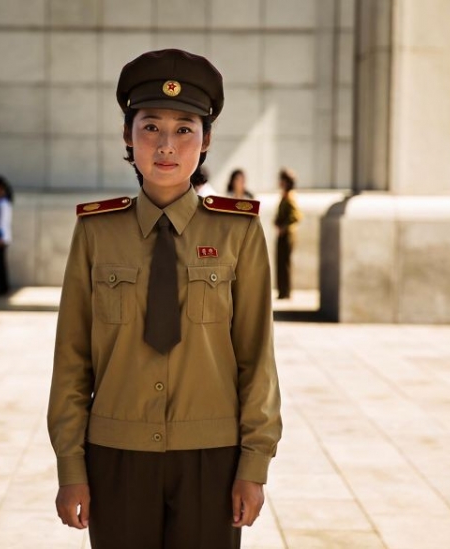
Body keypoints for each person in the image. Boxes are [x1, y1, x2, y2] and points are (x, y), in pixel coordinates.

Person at [47, 49, 281, 549]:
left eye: (184, 129)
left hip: (212, 457)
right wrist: (71, 466)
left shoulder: (238, 231)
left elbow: (257, 356)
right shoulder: (96, 232)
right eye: (151, 127)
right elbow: (71, 359)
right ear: (127, 136)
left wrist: (254, 463)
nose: (167, 145)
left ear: (206, 140)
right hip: (115, 455)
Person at [274, 168, 300, 299]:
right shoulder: (285, 196)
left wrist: (284, 227)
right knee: (280, 262)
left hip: (287, 235)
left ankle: (286, 291)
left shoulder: (290, 197)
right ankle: (282, 291)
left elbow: (296, 216)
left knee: (285, 264)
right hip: (282, 234)